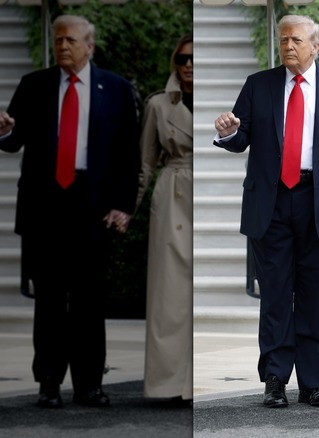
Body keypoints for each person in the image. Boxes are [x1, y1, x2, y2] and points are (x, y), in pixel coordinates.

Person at [0, 14, 140, 408]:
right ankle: (49, 384)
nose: (62, 47)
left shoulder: (117, 89)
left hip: (93, 203)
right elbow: (14, 138)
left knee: (90, 300)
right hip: (45, 205)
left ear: (89, 46)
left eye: (70, 40)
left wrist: (124, 205)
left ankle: (90, 384)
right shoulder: (34, 85)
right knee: (50, 300)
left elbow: (128, 153)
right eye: (57, 40)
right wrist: (3, 130)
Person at [213, 14, 319, 408]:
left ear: (315, 46)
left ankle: (314, 382)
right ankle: (276, 379)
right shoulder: (258, 85)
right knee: (276, 295)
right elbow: (240, 137)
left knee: (315, 296)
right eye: (283, 40)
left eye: (296, 40)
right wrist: (229, 131)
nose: (288, 46)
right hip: (272, 201)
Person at [133, 33, 193, 405]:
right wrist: (128, 208)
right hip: (172, 194)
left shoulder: (225, 104)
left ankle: (194, 383)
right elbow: (144, 163)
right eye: (182, 59)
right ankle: (166, 384)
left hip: (204, 194)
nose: (188, 66)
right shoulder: (157, 105)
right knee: (168, 294)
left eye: (194, 59)